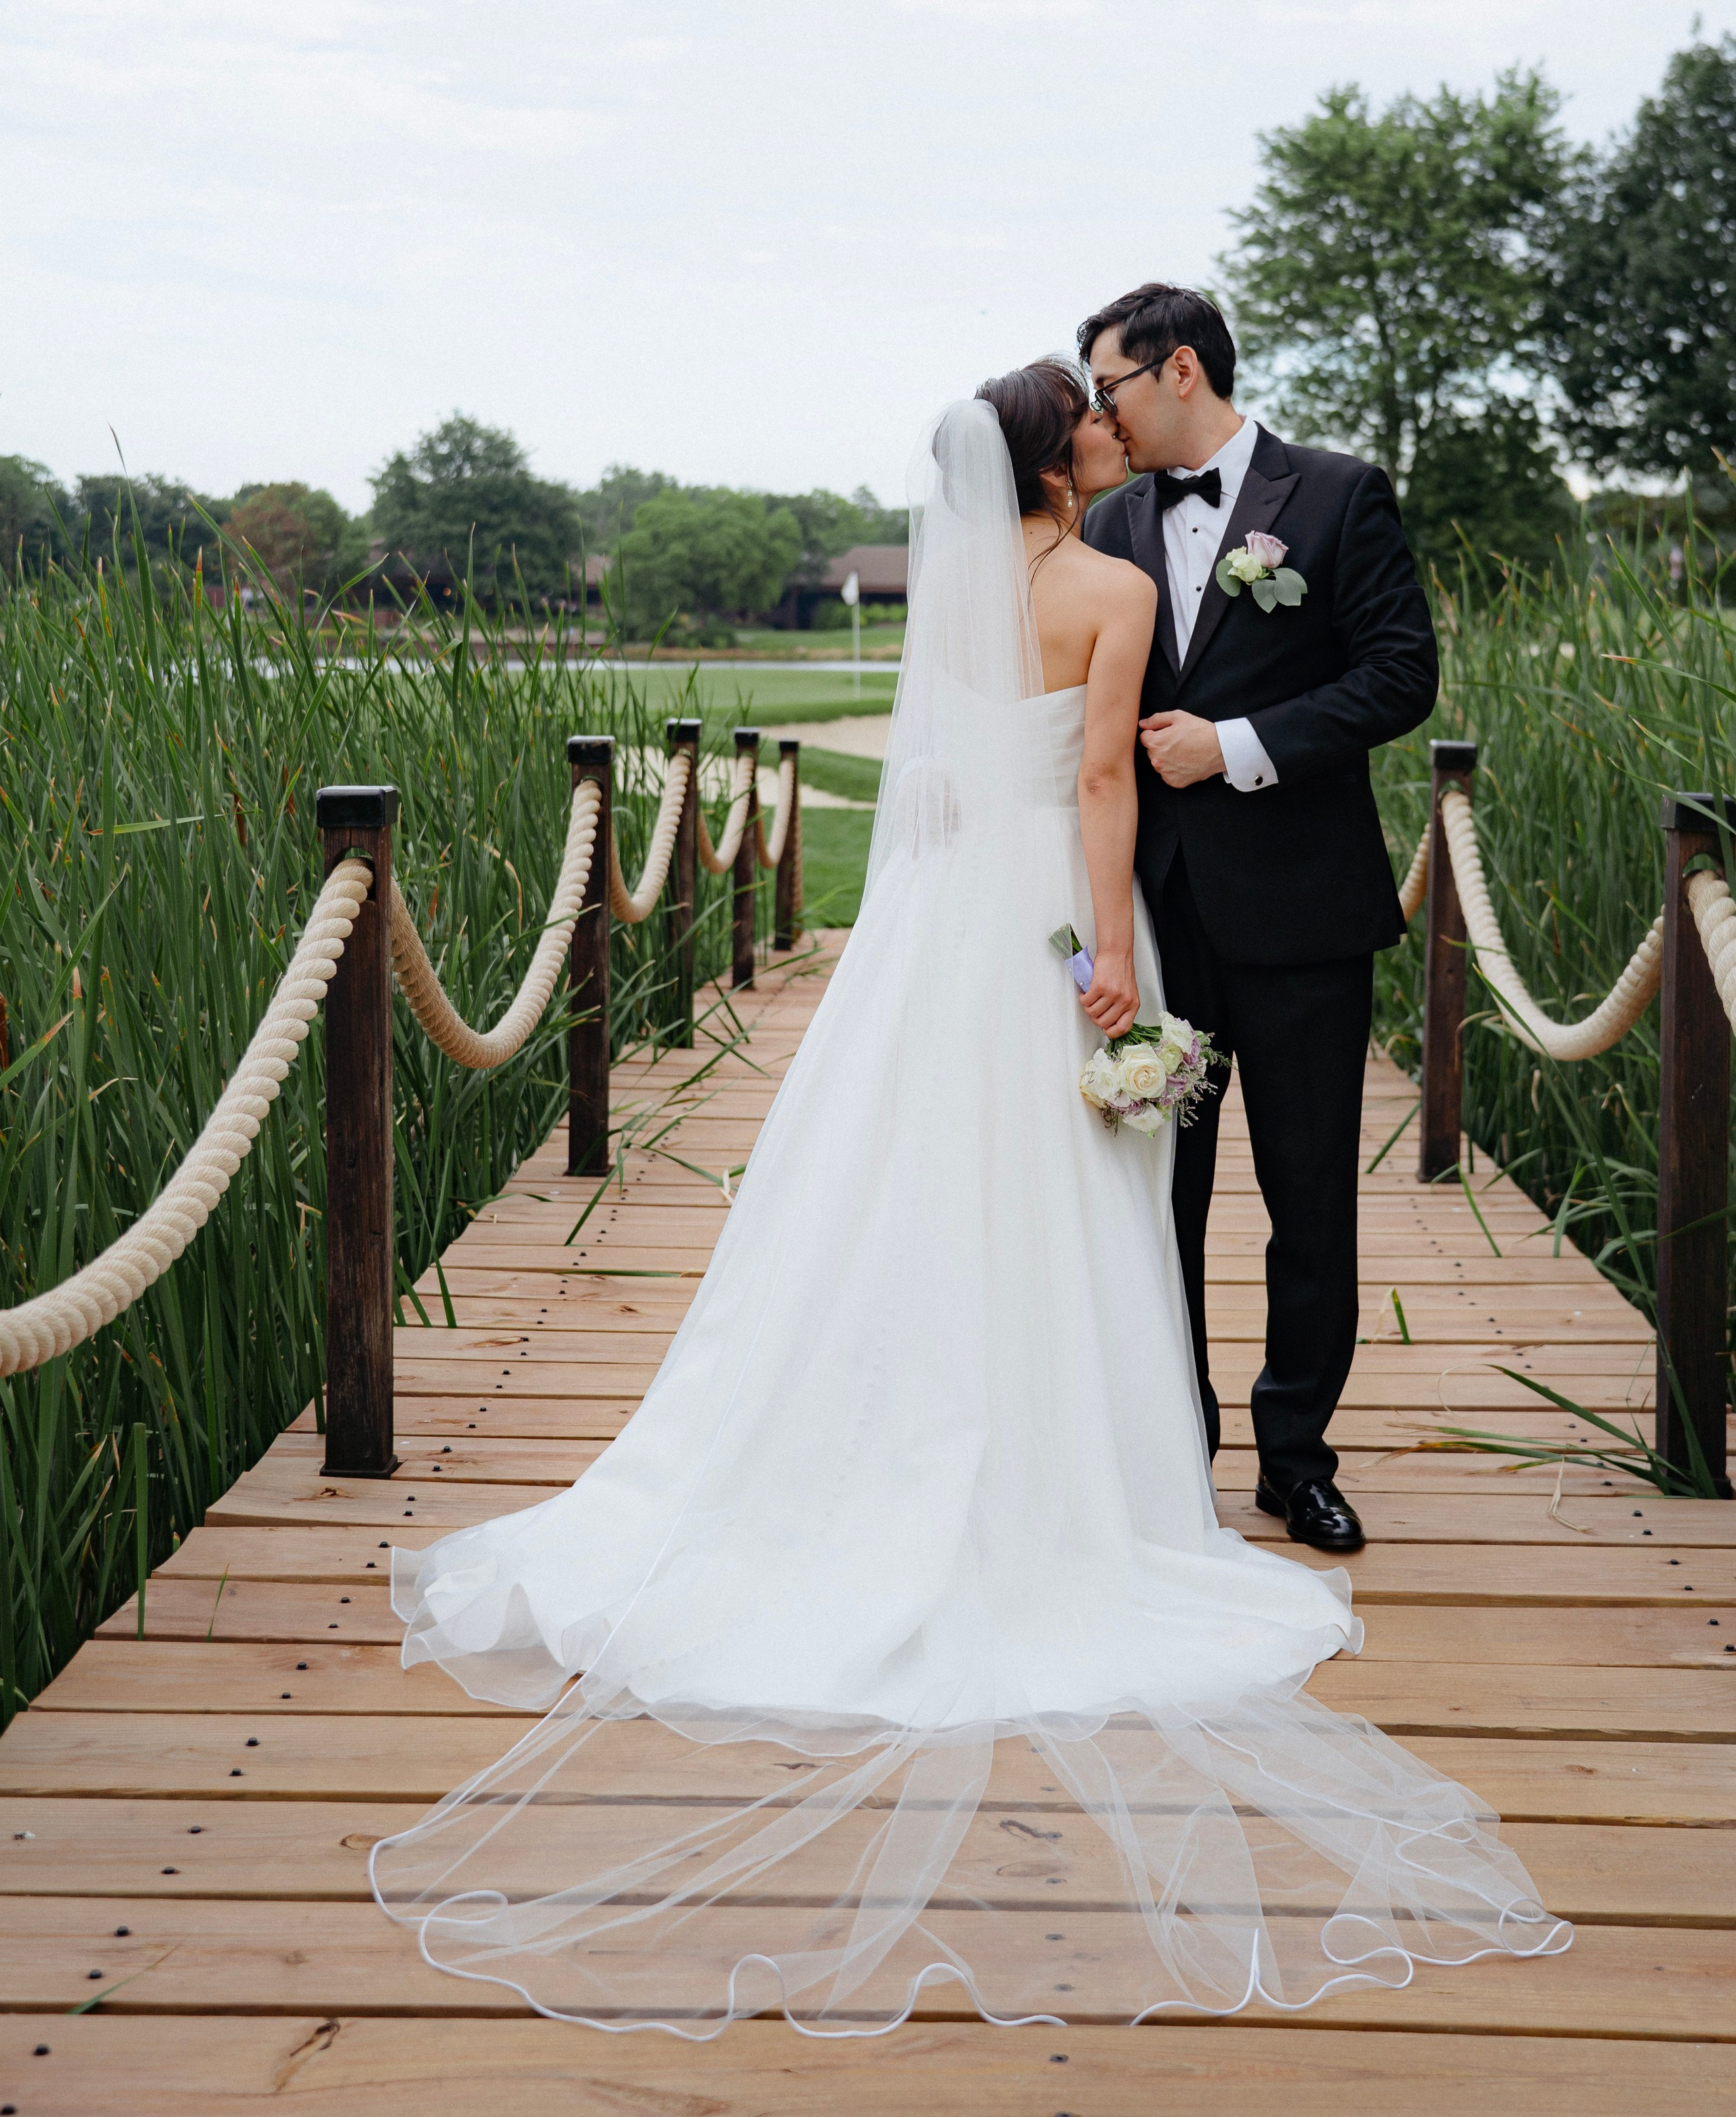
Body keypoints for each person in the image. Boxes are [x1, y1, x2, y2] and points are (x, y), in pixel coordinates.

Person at [372, 373, 1565, 2036]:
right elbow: (1093, 789)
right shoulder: (1116, 576)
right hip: (1059, 920)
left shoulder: (965, 585)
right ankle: (1087, 1475)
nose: (1107, 428)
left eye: (1114, 394)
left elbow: (938, 778)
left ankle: (984, 1446)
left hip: (939, 937)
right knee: (1067, 1198)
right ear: (1057, 455)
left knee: (905, 1183)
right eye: (1085, 414)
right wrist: (1109, 964)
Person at [1080, 285, 1438, 1554]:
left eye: (1110, 385)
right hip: (1157, 925)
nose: (1098, 412)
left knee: (1308, 1194)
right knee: (1157, 1196)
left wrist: (1235, 744)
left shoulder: (1339, 495)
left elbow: (1400, 674)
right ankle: (1177, 1447)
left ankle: (1299, 1459)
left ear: (1180, 370)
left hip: (1305, 916)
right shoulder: (1108, 519)